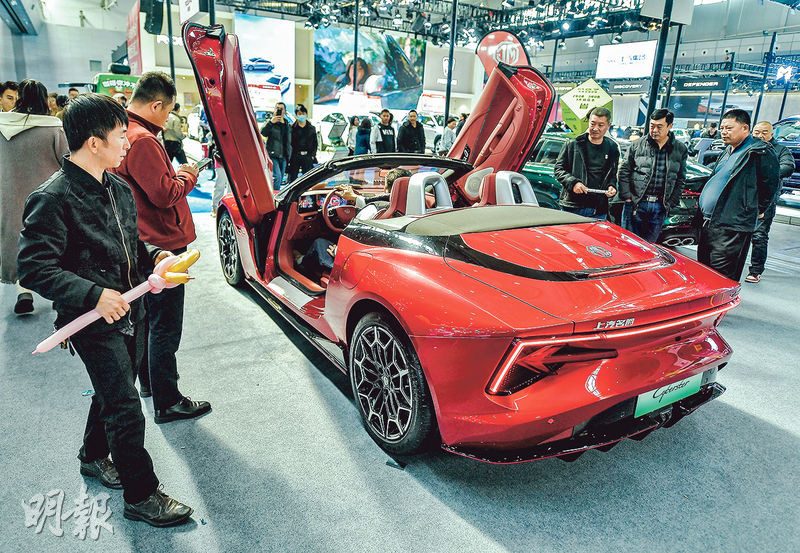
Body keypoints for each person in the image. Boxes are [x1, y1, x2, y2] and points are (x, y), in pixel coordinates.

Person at [17, 93, 194, 527]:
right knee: (125, 405)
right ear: (94, 142)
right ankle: (141, 494)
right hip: (90, 320)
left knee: (113, 390)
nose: (127, 143)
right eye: (120, 135)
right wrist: (93, 293)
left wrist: (157, 259)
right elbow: (34, 267)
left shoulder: (117, 188)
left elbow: (131, 245)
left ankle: (93, 455)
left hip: (130, 309)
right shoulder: (52, 198)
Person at [114, 71, 211, 422]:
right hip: (161, 245)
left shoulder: (123, 131)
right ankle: (168, 401)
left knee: (149, 320)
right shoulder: (143, 140)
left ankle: (151, 384)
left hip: (142, 240)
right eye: (168, 111)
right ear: (156, 105)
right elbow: (165, 193)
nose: (168, 118)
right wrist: (188, 174)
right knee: (165, 324)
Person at [0, 79, 68, 314]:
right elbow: (68, 162)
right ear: (45, 100)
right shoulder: (54, 129)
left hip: (9, 197)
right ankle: (58, 293)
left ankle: (23, 291)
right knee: (53, 245)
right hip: (48, 200)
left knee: (18, 243)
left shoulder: (2, 126)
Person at [697, 109, 779, 282]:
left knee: (721, 277)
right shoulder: (727, 151)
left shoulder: (759, 151)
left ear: (745, 128)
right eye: (722, 128)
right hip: (710, 222)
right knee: (704, 272)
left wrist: (756, 209)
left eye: (729, 128)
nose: (724, 132)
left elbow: (769, 185)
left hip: (732, 225)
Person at [296, 168, 412, 277]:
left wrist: (337, 251)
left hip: (357, 266)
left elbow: (354, 236)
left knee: (319, 242)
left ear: (386, 188)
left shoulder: (374, 209)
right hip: (389, 261)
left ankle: (300, 263)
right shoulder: (416, 209)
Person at [618, 108, 688, 242]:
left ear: (670, 126)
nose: (654, 130)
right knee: (628, 244)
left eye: (659, 126)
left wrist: (671, 203)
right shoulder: (637, 145)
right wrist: (627, 197)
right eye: (652, 126)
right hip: (636, 204)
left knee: (650, 246)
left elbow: (680, 178)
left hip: (660, 206)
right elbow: (624, 171)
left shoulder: (680, 149)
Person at [745, 121, 795, 283]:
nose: (760, 135)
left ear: (771, 134)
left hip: (766, 200)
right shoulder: (748, 147)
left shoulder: (780, 150)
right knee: (738, 234)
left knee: (759, 236)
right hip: (744, 198)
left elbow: (788, 166)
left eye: (764, 132)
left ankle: (755, 271)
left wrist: (768, 174)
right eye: (757, 132)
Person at [554, 106, 619, 219]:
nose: (595, 128)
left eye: (601, 125)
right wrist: (573, 183)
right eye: (592, 124)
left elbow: (612, 174)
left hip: (599, 208)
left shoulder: (612, 147)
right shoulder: (573, 144)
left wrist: (612, 186)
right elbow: (558, 169)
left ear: (608, 125)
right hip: (573, 206)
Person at [260, 101, 291, 189]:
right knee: (277, 177)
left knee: (280, 178)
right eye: (277, 108)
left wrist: (283, 124)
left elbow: (289, 138)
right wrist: (271, 122)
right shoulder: (270, 122)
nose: (279, 110)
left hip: (284, 155)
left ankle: (274, 192)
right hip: (273, 154)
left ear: (285, 111)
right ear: (274, 110)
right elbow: (263, 132)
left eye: (281, 109)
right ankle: (275, 195)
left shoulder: (287, 124)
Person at [287, 104, 317, 182]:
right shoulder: (292, 128)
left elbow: (315, 143)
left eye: (303, 113)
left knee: (307, 179)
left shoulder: (311, 128)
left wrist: (312, 155)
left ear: (306, 114)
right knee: (293, 178)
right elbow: (289, 143)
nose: (302, 116)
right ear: (296, 115)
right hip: (295, 156)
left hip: (307, 156)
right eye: (299, 114)